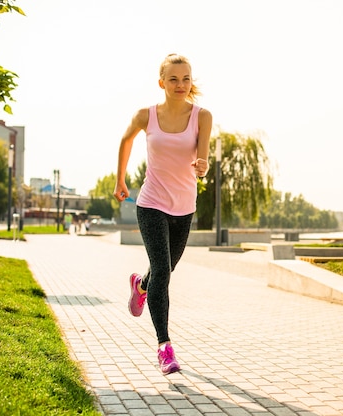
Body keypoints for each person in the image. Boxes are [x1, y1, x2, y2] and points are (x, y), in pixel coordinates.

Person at [113, 53, 212, 375]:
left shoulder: (202, 116)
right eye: (173, 79)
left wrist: (202, 166)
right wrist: (120, 180)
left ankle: (141, 285)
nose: (180, 85)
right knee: (164, 273)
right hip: (151, 202)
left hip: (184, 207)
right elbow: (125, 140)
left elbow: (203, 159)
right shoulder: (146, 116)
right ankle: (164, 347)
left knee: (164, 269)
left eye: (185, 79)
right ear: (162, 83)